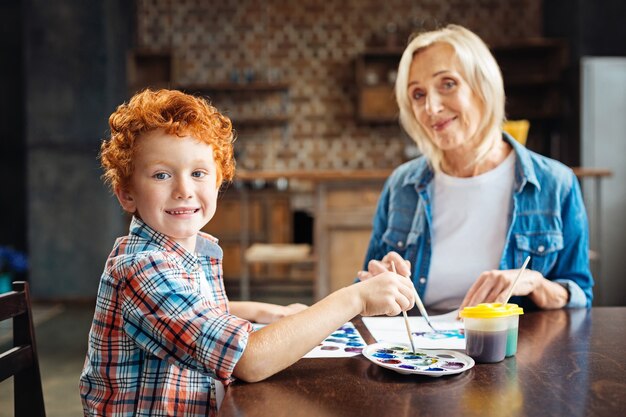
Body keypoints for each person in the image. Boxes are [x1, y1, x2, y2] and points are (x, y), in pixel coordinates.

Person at [79, 89, 415, 416]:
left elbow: (192, 310)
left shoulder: (176, 254)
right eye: (162, 175)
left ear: (218, 180)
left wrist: (264, 311)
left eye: (198, 173)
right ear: (127, 195)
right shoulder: (142, 267)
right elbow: (248, 361)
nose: (184, 190)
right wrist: (353, 299)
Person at [357, 24, 593, 312]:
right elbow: (366, 297)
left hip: (518, 351)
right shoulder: (401, 185)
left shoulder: (556, 183)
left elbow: (580, 295)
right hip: (420, 355)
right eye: (418, 94)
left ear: (484, 86)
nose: (431, 107)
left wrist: (538, 284)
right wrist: (377, 286)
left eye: (448, 84)